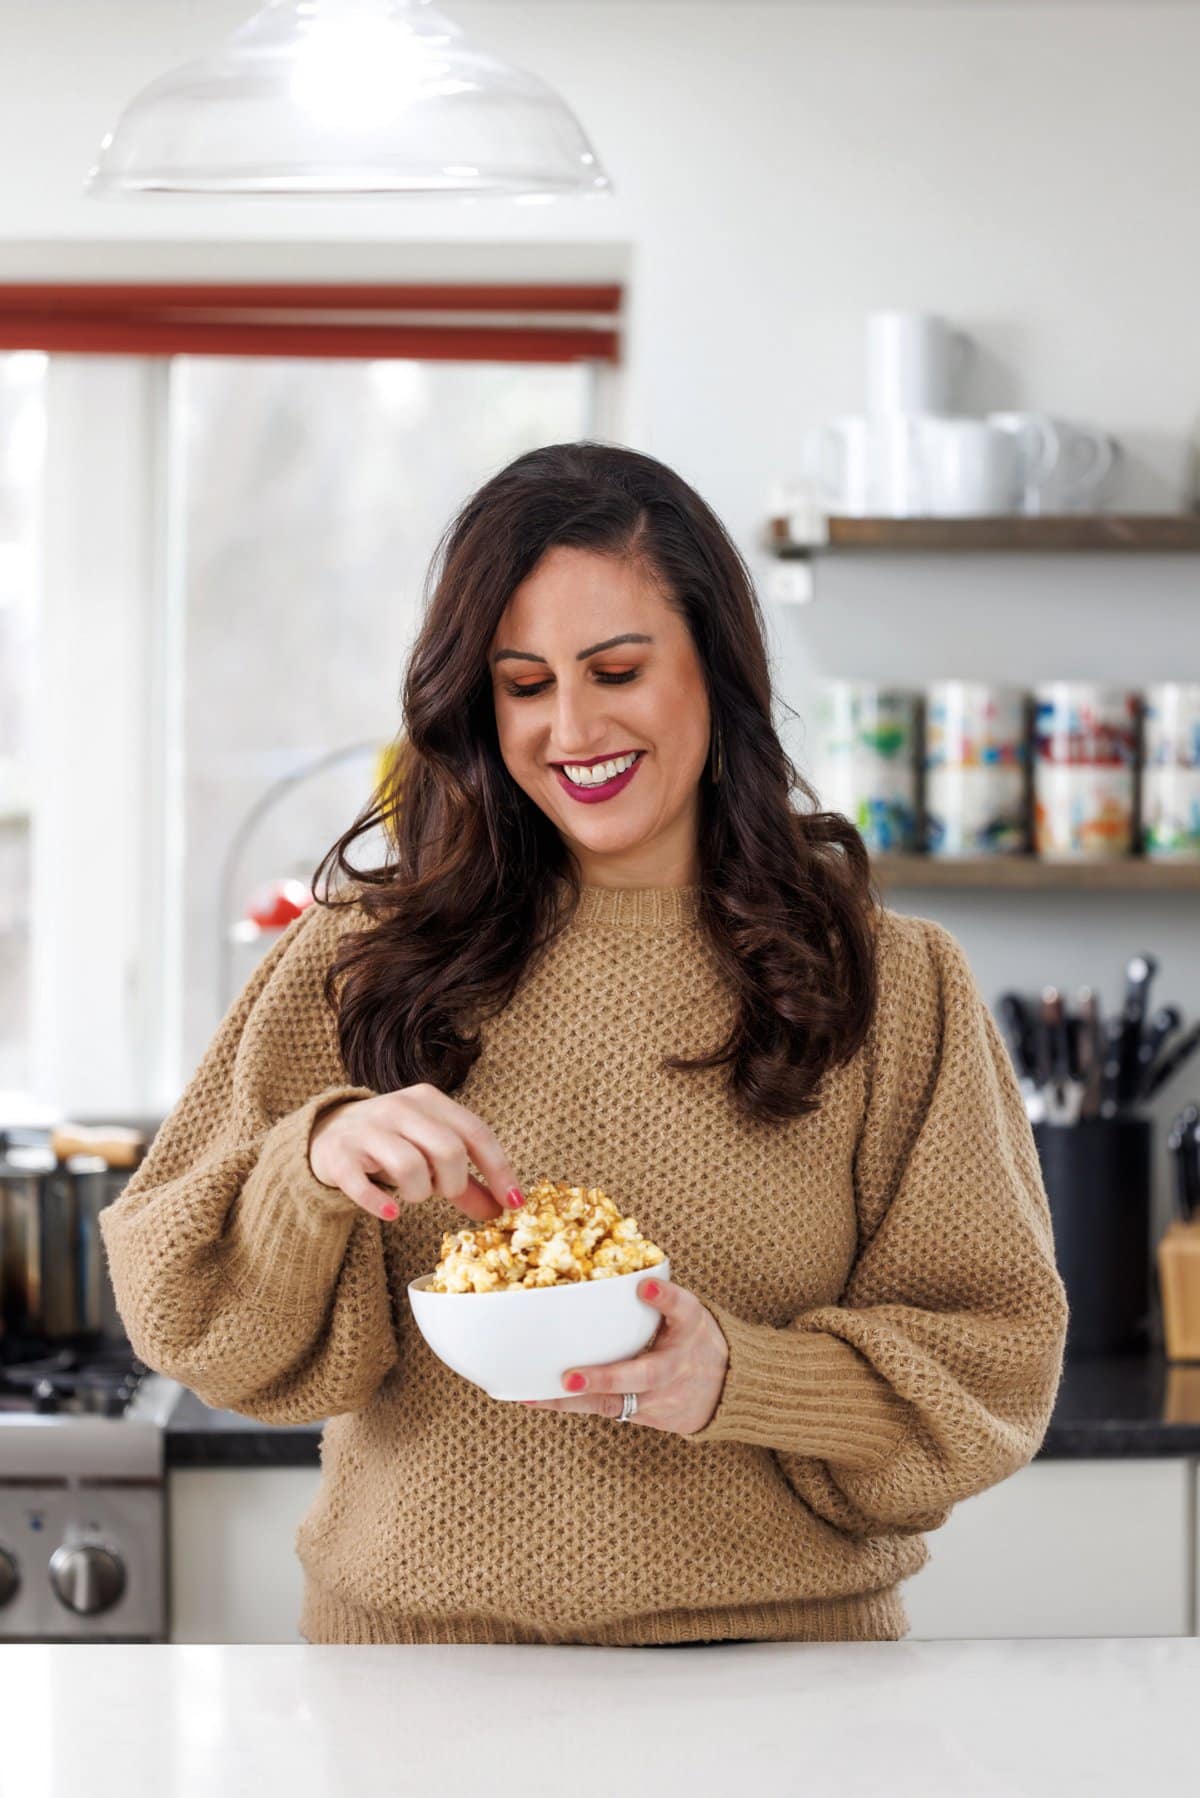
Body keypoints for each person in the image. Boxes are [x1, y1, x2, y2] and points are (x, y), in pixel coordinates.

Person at [100, 441, 1069, 1647]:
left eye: (617, 668)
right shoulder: (361, 952)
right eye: (522, 683)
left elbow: (994, 1363)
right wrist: (315, 1161)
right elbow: (189, 1316)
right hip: (411, 1686)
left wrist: (739, 1377)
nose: (572, 725)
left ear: (715, 668)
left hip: (783, 1682)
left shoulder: (896, 982)